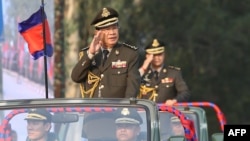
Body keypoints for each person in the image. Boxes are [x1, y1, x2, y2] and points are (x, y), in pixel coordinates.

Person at [71, 7, 141, 98]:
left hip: (117, 110)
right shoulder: (87, 54)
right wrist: (91, 54)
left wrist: (125, 109)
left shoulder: (129, 54)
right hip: (92, 110)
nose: (112, 33)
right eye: (107, 29)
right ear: (97, 33)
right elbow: (76, 77)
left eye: (114, 28)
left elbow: (132, 89)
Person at [138, 38, 190, 105]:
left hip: (166, 113)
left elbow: (185, 93)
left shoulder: (173, 73)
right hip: (146, 114)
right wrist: (144, 67)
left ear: (164, 54)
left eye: (160, 54)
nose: (157, 58)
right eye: (154, 55)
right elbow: (131, 84)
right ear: (147, 56)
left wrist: (174, 101)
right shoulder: (142, 73)